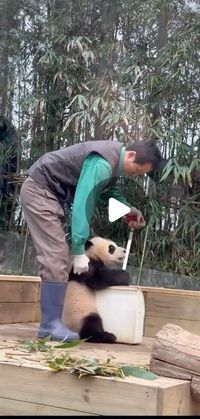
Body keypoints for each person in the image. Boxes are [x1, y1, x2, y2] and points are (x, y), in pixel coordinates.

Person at [20, 138, 163, 341]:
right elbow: (83, 202)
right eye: (137, 170)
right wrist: (79, 249)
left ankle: (51, 324)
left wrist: (128, 210)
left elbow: (106, 192)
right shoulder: (103, 163)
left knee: (57, 256)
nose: (136, 175)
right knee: (56, 256)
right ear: (130, 155)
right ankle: (50, 325)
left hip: (52, 195)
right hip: (40, 191)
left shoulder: (113, 163)